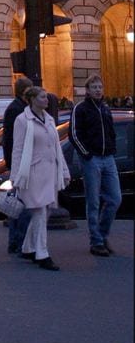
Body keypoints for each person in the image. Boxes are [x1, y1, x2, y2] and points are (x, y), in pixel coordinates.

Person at [11, 86, 71, 271]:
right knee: (40, 212)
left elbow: (56, 147)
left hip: (49, 171)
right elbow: (18, 149)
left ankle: (29, 247)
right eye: (43, 97)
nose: (47, 100)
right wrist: (15, 176)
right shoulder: (22, 120)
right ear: (33, 99)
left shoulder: (50, 119)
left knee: (43, 212)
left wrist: (64, 171)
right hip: (32, 173)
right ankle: (42, 253)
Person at [68, 74, 122, 257]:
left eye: (100, 87)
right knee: (93, 202)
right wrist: (87, 155)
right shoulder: (80, 109)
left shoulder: (105, 109)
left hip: (108, 158)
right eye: (94, 87)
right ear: (88, 90)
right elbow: (74, 134)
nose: (98, 90)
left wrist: (112, 149)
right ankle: (96, 241)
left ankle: (102, 234)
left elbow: (111, 131)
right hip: (92, 160)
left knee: (115, 199)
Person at [2, 76, 33, 254]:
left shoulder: (17, 107)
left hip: (17, 163)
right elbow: (11, 140)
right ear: (24, 92)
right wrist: (11, 163)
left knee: (17, 205)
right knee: (22, 206)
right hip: (19, 164)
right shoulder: (17, 110)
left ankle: (14, 242)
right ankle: (18, 241)